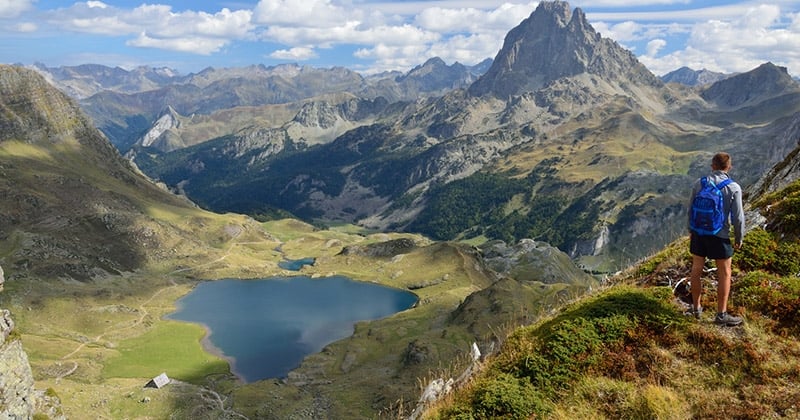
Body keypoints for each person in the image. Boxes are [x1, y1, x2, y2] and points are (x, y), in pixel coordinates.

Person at [687, 152, 745, 326]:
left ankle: (696, 309)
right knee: (725, 273)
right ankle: (721, 315)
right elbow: (738, 217)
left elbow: (690, 208)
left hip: (699, 233)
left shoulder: (699, 183)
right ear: (729, 167)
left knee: (696, 270)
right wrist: (739, 237)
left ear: (712, 166)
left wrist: (691, 230)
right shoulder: (733, 187)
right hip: (720, 235)